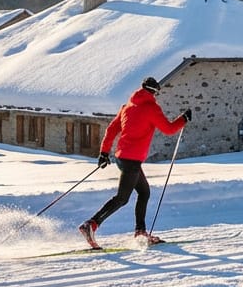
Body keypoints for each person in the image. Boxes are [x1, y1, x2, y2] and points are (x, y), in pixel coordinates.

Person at [78, 76, 190, 248]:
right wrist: (183, 119)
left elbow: (112, 129)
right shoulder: (151, 108)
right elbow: (169, 129)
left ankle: (140, 232)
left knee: (144, 192)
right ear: (155, 92)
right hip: (132, 160)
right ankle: (91, 224)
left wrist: (104, 153)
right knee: (122, 198)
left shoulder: (127, 107)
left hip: (122, 158)